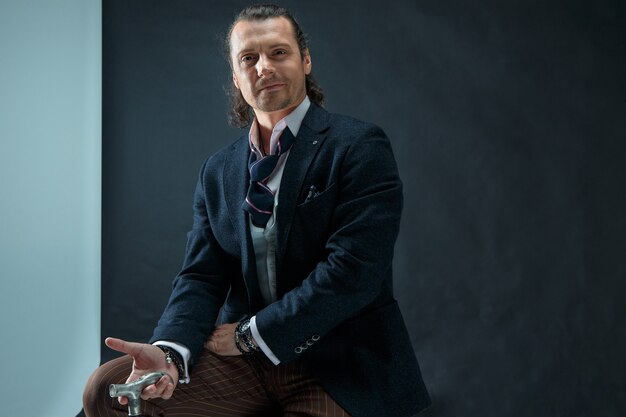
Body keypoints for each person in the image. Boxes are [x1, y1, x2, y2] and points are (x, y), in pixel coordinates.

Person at [83, 4, 430, 417]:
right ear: (236, 76)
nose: (264, 66)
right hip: (243, 366)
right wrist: (171, 355)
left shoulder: (358, 147)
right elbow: (201, 275)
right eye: (249, 58)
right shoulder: (218, 170)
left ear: (305, 60)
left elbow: (352, 273)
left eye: (278, 52)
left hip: (339, 362)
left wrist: (252, 334)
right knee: (107, 390)